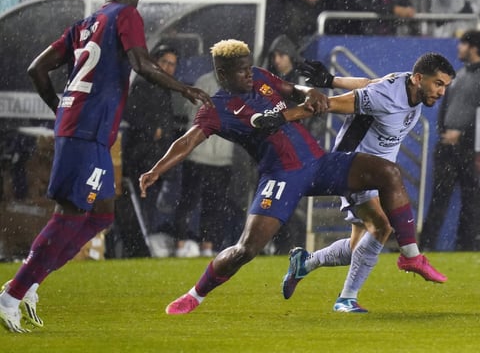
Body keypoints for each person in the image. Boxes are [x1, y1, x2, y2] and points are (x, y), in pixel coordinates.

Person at [0, 0, 212, 333]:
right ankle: (11, 295)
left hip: (89, 131)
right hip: (86, 131)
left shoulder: (85, 24)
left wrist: (61, 108)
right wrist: (184, 89)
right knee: (70, 214)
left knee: (101, 215)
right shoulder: (126, 15)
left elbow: (37, 69)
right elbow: (141, 64)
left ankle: (30, 283)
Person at [139, 39, 422, 315]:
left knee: (388, 173)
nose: (249, 73)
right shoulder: (216, 109)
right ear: (222, 74)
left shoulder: (261, 78)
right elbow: (187, 142)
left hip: (319, 163)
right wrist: (156, 169)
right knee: (245, 250)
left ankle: (410, 255)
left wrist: (310, 93)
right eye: (241, 70)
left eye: (249, 67)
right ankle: (195, 295)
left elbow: (293, 89)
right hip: (281, 178)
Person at [279, 53, 455, 312]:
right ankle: (346, 299)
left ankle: (305, 263)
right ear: (419, 78)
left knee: (356, 248)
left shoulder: (404, 84)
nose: (441, 92)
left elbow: (368, 83)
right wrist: (282, 117)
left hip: (380, 176)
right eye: (438, 84)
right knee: (382, 227)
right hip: (353, 167)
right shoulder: (388, 95)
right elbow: (329, 104)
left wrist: (331, 79)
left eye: (445, 86)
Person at [420, 30, 480, 251]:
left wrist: (463, 135)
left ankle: (465, 246)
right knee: (439, 198)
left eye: (463, 44)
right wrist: (444, 133)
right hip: (447, 147)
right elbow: (446, 108)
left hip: (472, 149)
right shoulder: (459, 74)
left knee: (471, 200)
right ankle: (425, 246)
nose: (459, 47)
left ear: (474, 48)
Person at [121, 44, 184, 258]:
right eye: (164, 62)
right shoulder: (144, 82)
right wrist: (151, 130)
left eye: (172, 64)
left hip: (156, 156)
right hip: (141, 155)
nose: (168, 67)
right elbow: (129, 112)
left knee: (151, 203)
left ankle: (145, 246)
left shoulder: (164, 86)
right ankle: (139, 248)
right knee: (140, 204)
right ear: (155, 61)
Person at [176, 70, 244, 258]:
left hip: (222, 158)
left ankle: (207, 246)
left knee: (213, 206)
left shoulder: (238, 87)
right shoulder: (204, 81)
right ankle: (180, 245)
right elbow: (191, 112)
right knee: (189, 202)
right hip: (198, 155)